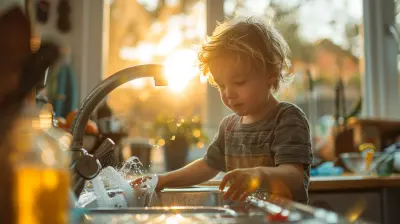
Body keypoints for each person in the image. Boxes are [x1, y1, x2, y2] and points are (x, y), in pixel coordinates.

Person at [133, 16, 313, 204]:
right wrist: (162, 180)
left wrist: (259, 174)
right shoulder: (229, 127)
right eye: (221, 85)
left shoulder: (287, 118)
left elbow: (294, 175)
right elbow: (207, 166)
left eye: (239, 82)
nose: (229, 93)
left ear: (271, 76)